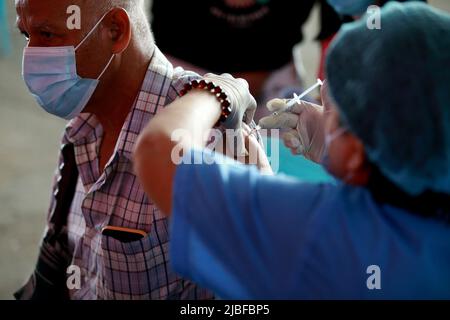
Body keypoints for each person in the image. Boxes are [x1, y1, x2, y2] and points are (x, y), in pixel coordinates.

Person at [134, 2, 450, 299]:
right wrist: (335, 148)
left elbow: (158, 153)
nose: (321, 111)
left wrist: (216, 91)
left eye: (333, 112)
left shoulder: (320, 232)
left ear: (356, 151)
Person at [13, 0, 246, 300]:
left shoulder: (208, 136)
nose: (31, 58)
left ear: (115, 31)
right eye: (26, 36)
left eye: (47, 35)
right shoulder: (82, 125)